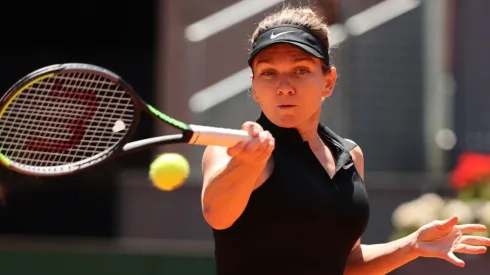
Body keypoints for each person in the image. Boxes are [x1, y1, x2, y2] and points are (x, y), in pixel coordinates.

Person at [200, 6, 490, 275]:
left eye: (301, 70)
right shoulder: (231, 150)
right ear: (254, 87)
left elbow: (345, 263)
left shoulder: (349, 155)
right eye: (268, 73)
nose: (284, 87)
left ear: (328, 82)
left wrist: (411, 245)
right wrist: (245, 165)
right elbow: (217, 214)